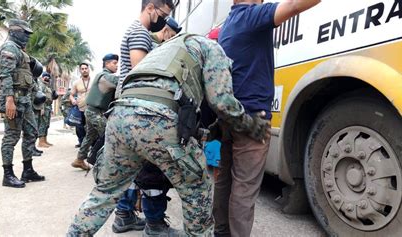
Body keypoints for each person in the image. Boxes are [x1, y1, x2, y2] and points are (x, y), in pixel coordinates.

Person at [67, 33, 270, 237]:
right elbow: (222, 101)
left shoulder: (167, 49)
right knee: (197, 188)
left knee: (105, 192)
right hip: (158, 118)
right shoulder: (213, 49)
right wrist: (250, 124)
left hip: (120, 116)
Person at [213, 0, 321, 236]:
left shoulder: (228, 25)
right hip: (253, 117)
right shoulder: (251, 16)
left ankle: (220, 232)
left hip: (229, 116)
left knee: (225, 180)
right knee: (245, 185)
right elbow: (293, 6)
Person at [111, 0, 175, 235]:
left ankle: (124, 216)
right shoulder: (139, 32)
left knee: (129, 168)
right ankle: (155, 224)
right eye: (163, 14)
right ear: (151, 8)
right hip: (139, 111)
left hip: (126, 110)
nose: (164, 20)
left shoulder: (138, 32)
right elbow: (143, 71)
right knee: (152, 169)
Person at [0, 19, 45, 188]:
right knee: (11, 136)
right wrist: (9, 100)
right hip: (14, 100)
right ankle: (8, 175)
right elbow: (5, 75)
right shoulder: (8, 48)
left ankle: (28, 170)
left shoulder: (19, 50)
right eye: (25, 33)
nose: (26, 37)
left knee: (32, 132)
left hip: (25, 99)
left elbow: (27, 75)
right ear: (15, 31)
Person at [76, 54, 119, 165]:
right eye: (114, 63)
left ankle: (79, 159)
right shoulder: (107, 76)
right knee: (109, 136)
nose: (117, 65)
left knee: (89, 136)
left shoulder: (101, 75)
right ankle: (105, 164)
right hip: (96, 113)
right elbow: (122, 81)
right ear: (107, 64)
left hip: (91, 111)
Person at [69, 63, 92, 171]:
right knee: (80, 129)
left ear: (88, 69)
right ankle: (82, 148)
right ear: (80, 71)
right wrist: (73, 100)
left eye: (85, 68)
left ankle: (87, 149)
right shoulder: (76, 83)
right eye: (82, 69)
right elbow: (71, 94)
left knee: (91, 129)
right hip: (80, 109)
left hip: (92, 109)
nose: (84, 70)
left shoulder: (94, 81)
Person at [37, 71, 54, 148]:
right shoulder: (41, 86)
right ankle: (41, 142)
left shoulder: (48, 87)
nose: (47, 78)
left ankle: (45, 140)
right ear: (42, 77)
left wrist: (51, 108)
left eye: (48, 77)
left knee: (46, 125)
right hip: (44, 106)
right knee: (42, 124)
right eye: (45, 76)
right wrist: (41, 108)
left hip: (48, 107)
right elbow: (40, 97)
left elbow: (50, 98)